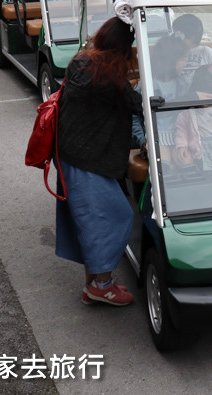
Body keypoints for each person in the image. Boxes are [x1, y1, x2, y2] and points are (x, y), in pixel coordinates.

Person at [55, 16, 143, 306]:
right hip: (89, 159)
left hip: (69, 153)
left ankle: (92, 284)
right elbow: (139, 105)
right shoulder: (110, 77)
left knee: (88, 220)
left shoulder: (81, 60)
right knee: (116, 216)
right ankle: (102, 285)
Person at [172, 13, 212, 85]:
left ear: (191, 36)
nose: (175, 37)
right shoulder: (175, 52)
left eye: (178, 35)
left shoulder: (205, 52)